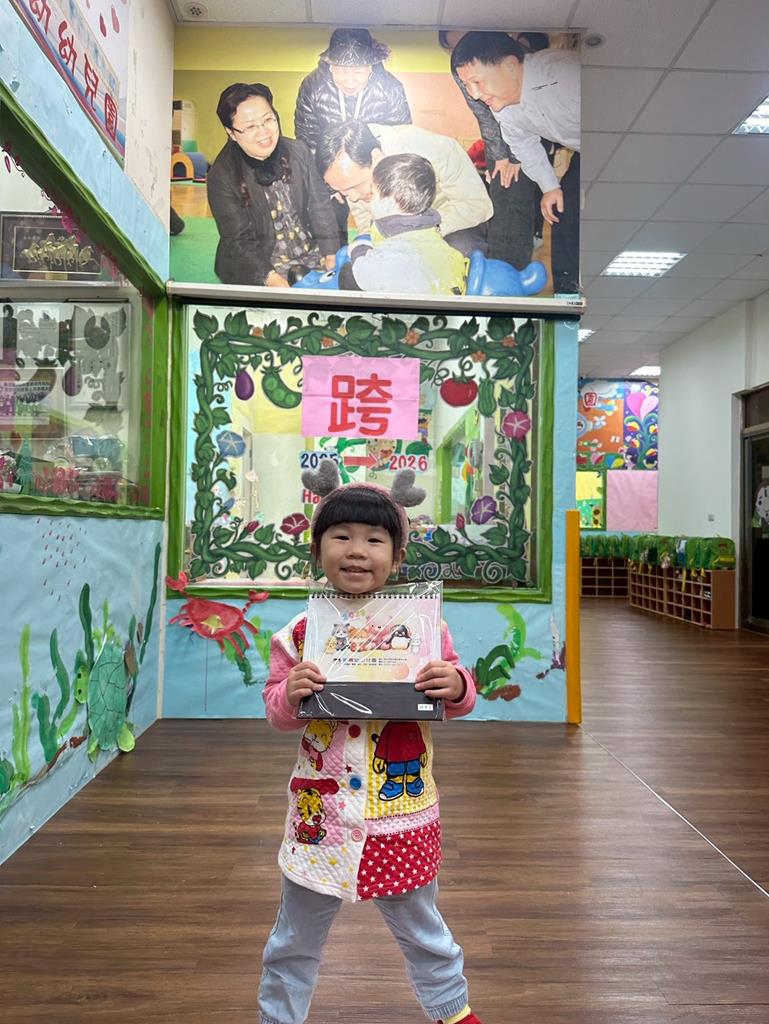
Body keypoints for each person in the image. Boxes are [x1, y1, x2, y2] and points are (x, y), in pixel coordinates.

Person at [258, 470, 482, 1024]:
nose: (357, 550)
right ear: (317, 550)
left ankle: (452, 1011)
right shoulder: (300, 633)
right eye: (341, 536)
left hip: (399, 817)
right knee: (293, 940)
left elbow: (459, 695)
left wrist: (456, 685)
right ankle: (279, 1017)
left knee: (425, 931)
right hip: (321, 820)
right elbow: (276, 712)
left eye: (374, 540)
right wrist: (290, 692)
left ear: (397, 556)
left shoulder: (425, 629)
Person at [450, 32, 580, 294]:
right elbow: (524, 146)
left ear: (510, 66)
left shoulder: (565, 77)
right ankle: (568, 295)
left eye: (477, 81)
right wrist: (550, 187)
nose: (474, 94)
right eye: (467, 85)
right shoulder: (506, 109)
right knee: (564, 213)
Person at [207, 83, 338, 287]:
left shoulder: (299, 151)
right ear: (231, 133)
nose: (263, 132)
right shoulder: (222, 174)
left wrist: (330, 252)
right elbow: (238, 240)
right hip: (261, 262)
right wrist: (271, 278)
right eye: (250, 126)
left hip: (308, 249)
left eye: (268, 119)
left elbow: (319, 204)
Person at [438, 30, 549, 266]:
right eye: (452, 47)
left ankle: (514, 270)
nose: (460, 51)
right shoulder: (461, 69)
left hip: (526, 138)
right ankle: (497, 267)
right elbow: (484, 115)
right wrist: (499, 156)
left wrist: (515, 157)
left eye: (463, 40)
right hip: (499, 143)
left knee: (517, 203)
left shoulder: (506, 57)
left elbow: (527, 114)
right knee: (499, 204)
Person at [295, 28, 412, 249]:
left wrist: (382, 181)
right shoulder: (312, 86)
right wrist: (330, 184)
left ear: (371, 66)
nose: (349, 81)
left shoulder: (390, 88)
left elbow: (401, 138)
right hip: (332, 174)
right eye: (341, 71)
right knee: (329, 230)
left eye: (358, 71)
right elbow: (307, 139)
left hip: (372, 174)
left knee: (383, 232)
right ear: (330, 65)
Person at [316, 120, 493, 256]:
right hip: (395, 233)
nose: (353, 198)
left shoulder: (430, 147)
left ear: (376, 157)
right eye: (343, 192)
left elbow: (477, 204)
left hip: (450, 222)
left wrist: (424, 230)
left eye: (355, 187)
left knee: (460, 250)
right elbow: (365, 223)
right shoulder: (351, 176)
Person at [340, 152, 466, 295]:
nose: (370, 199)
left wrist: (359, 249)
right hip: (442, 290)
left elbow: (365, 276)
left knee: (347, 275)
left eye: (373, 194)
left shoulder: (397, 248)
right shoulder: (429, 232)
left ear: (389, 202)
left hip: (417, 305)